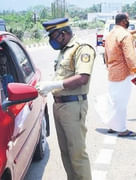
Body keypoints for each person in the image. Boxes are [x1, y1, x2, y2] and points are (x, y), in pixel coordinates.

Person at [36, 18, 96, 180]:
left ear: (63, 34)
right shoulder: (64, 50)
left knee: (77, 154)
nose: (51, 40)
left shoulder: (82, 49)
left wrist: (54, 84)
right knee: (66, 152)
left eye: (53, 36)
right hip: (60, 106)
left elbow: (82, 78)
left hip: (73, 106)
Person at [103, 13, 136, 137]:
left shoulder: (110, 34)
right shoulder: (125, 35)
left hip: (112, 72)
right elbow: (130, 56)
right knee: (122, 102)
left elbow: (105, 55)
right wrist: (135, 71)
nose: (128, 22)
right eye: (127, 20)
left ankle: (112, 126)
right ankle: (122, 129)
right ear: (123, 21)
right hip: (123, 73)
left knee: (114, 101)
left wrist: (109, 66)